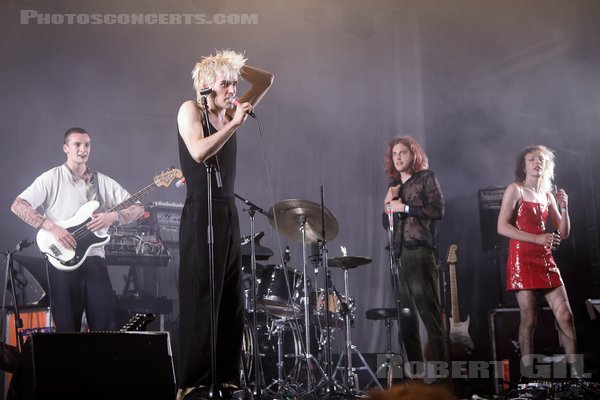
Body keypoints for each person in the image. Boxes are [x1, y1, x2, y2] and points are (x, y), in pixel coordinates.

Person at [176, 50, 273, 400]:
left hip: (226, 211)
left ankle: (228, 377)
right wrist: (233, 124)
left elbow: (266, 80)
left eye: (234, 83)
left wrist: (231, 62)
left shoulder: (230, 110)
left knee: (231, 297)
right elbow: (199, 152)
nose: (233, 89)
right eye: (225, 83)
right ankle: (192, 381)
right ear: (205, 86)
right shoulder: (190, 110)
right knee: (203, 295)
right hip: (200, 212)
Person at [10, 127, 144, 332]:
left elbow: (138, 208)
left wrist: (114, 216)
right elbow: (18, 205)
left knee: (106, 327)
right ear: (66, 148)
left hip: (94, 260)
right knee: (66, 329)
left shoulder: (103, 182)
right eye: (77, 144)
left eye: (87, 145)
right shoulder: (51, 178)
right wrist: (52, 226)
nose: (83, 149)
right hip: (62, 263)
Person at [496, 145, 579, 378]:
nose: (536, 163)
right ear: (524, 165)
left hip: (545, 259)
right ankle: (528, 376)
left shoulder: (548, 194)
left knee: (566, 316)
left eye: (540, 159)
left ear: (546, 164)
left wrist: (564, 208)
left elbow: (562, 233)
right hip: (522, 259)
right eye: (531, 159)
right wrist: (537, 238)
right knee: (529, 319)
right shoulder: (515, 189)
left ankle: (575, 374)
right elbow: (502, 227)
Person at [382, 136, 448, 377]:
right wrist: (388, 202)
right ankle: (417, 382)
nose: (398, 157)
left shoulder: (426, 178)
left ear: (413, 155)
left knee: (430, 317)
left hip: (419, 253)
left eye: (403, 153)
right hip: (398, 256)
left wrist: (405, 208)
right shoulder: (393, 185)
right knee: (406, 320)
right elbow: (385, 222)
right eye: (395, 154)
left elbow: (438, 210)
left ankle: (442, 382)